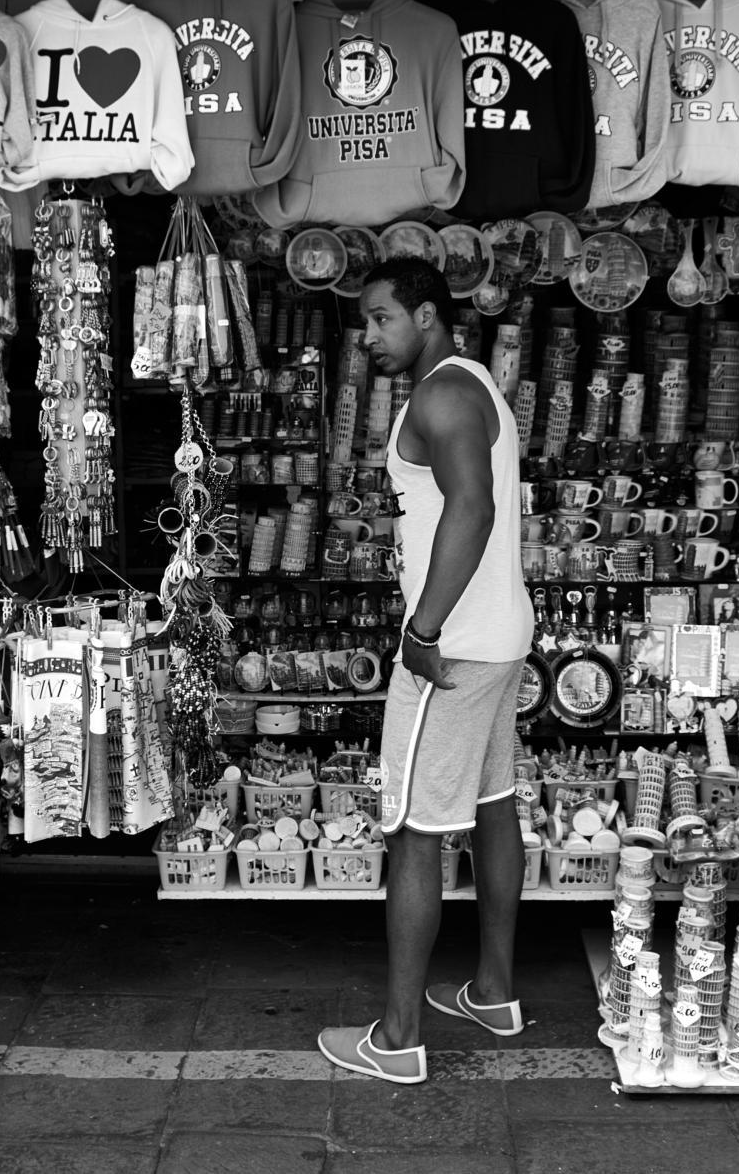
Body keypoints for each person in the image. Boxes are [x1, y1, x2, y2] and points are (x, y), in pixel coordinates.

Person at [316, 258, 534, 1085]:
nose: (368, 336)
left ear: (429, 315)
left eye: (381, 319)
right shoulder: (473, 381)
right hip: (501, 637)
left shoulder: (441, 394)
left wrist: (424, 625)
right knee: (492, 806)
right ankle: (494, 990)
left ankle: (399, 1037)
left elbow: (471, 507)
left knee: (411, 830)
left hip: (453, 649)